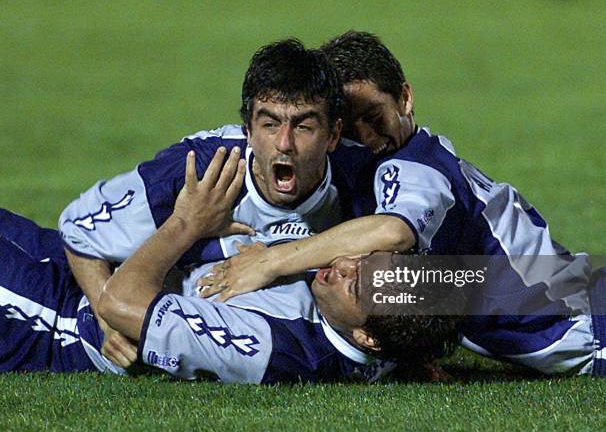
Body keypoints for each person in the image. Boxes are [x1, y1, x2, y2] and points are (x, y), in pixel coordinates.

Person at [200, 31, 606, 378]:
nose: (363, 134)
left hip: (588, 325)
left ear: (405, 99)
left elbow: (393, 232)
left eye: (373, 115)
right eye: (349, 121)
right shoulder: (389, 163)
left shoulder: (416, 170)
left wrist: (270, 262)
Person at [0, 150, 459, 382]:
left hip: (49, 317)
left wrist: (186, 222)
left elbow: (121, 304)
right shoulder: (387, 327)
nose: (341, 266)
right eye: (362, 262)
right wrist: (419, 358)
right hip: (53, 256)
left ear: (366, 337)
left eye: (355, 286)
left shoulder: (270, 347)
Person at [57, 38, 378, 362]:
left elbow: (420, 273)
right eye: (269, 124)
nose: (284, 143)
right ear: (248, 130)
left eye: (303, 126)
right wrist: (106, 315)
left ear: (333, 135)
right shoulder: (201, 173)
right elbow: (77, 227)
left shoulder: (362, 181)